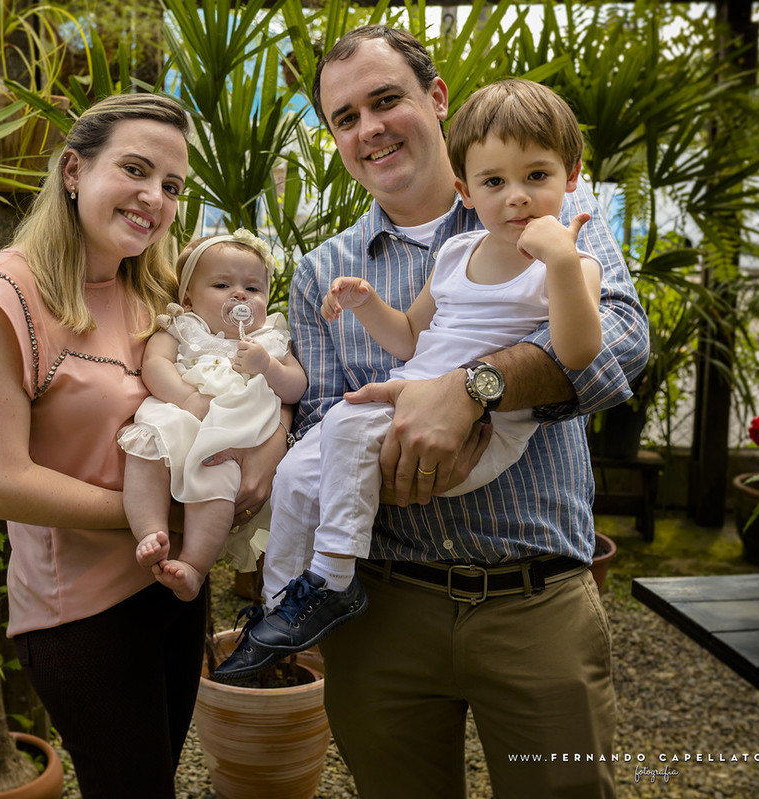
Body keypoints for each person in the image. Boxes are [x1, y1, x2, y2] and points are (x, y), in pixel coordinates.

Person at [228, 26, 649, 799]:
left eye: (385, 100)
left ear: (436, 98)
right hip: (383, 606)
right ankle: (301, 595)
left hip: (535, 597)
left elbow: (619, 348)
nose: (369, 128)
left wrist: (474, 387)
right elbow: (323, 421)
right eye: (344, 117)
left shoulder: (550, 213)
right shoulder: (326, 270)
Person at [0, 93, 287, 799]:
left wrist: (269, 450)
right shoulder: (5, 297)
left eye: (172, 185)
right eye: (135, 169)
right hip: (82, 614)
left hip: (173, 589)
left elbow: (248, 382)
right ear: (73, 170)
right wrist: (160, 519)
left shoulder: (157, 289)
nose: (154, 197)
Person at [215, 78, 605, 675]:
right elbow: (409, 338)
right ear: (466, 189)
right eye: (495, 182)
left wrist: (558, 264)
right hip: (402, 406)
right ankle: (282, 608)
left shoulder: (572, 257)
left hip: (490, 430)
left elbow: (580, 351)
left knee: (346, 430)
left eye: (537, 177)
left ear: (572, 177)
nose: (518, 198)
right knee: (295, 473)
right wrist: (367, 302)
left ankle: (334, 577)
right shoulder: (456, 256)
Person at [117, 229, 307, 602]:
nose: (240, 294)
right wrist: (186, 398)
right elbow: (154, 365)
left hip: (232, 435)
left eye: (253, 289)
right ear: (188, 297)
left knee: (218, 477)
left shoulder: (270, 339)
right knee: (148, 448)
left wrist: (267, 366)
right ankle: (151, 532)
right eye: (222, 284)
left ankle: (194, 565)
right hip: (181, 415)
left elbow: (295, 388)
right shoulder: (182, 327)